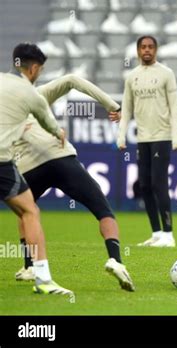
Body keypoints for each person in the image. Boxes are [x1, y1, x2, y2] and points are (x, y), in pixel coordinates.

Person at [12, 74, 135, 292]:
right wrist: (113, 105)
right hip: (61, 157)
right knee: (103, 211)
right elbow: (72, 80)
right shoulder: (38, 94)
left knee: (25, 212)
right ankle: (116, 260)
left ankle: (30, 266)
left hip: (29, 167)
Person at [0, 42, 71, 295]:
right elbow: (48, 121)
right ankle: (43, 280)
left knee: (28, 209)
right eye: (40, 70)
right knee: (30, 211)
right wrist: (58, 132)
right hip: (2, 162)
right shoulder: (30, 92)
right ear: (34, 69)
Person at [117, 35, 177, 248]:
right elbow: (126, 108)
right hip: (142, 138)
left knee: (158, 183)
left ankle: (169, 234)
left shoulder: (166, 74)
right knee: (144, 185)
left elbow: (175, 106)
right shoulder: (132, 77)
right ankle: (156, 233)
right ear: (137, 51)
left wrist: (176, 135)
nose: (147, 50)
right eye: (143, 47)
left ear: (156, 50)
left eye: (151, 47)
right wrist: (121, 134)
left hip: (162, 136)